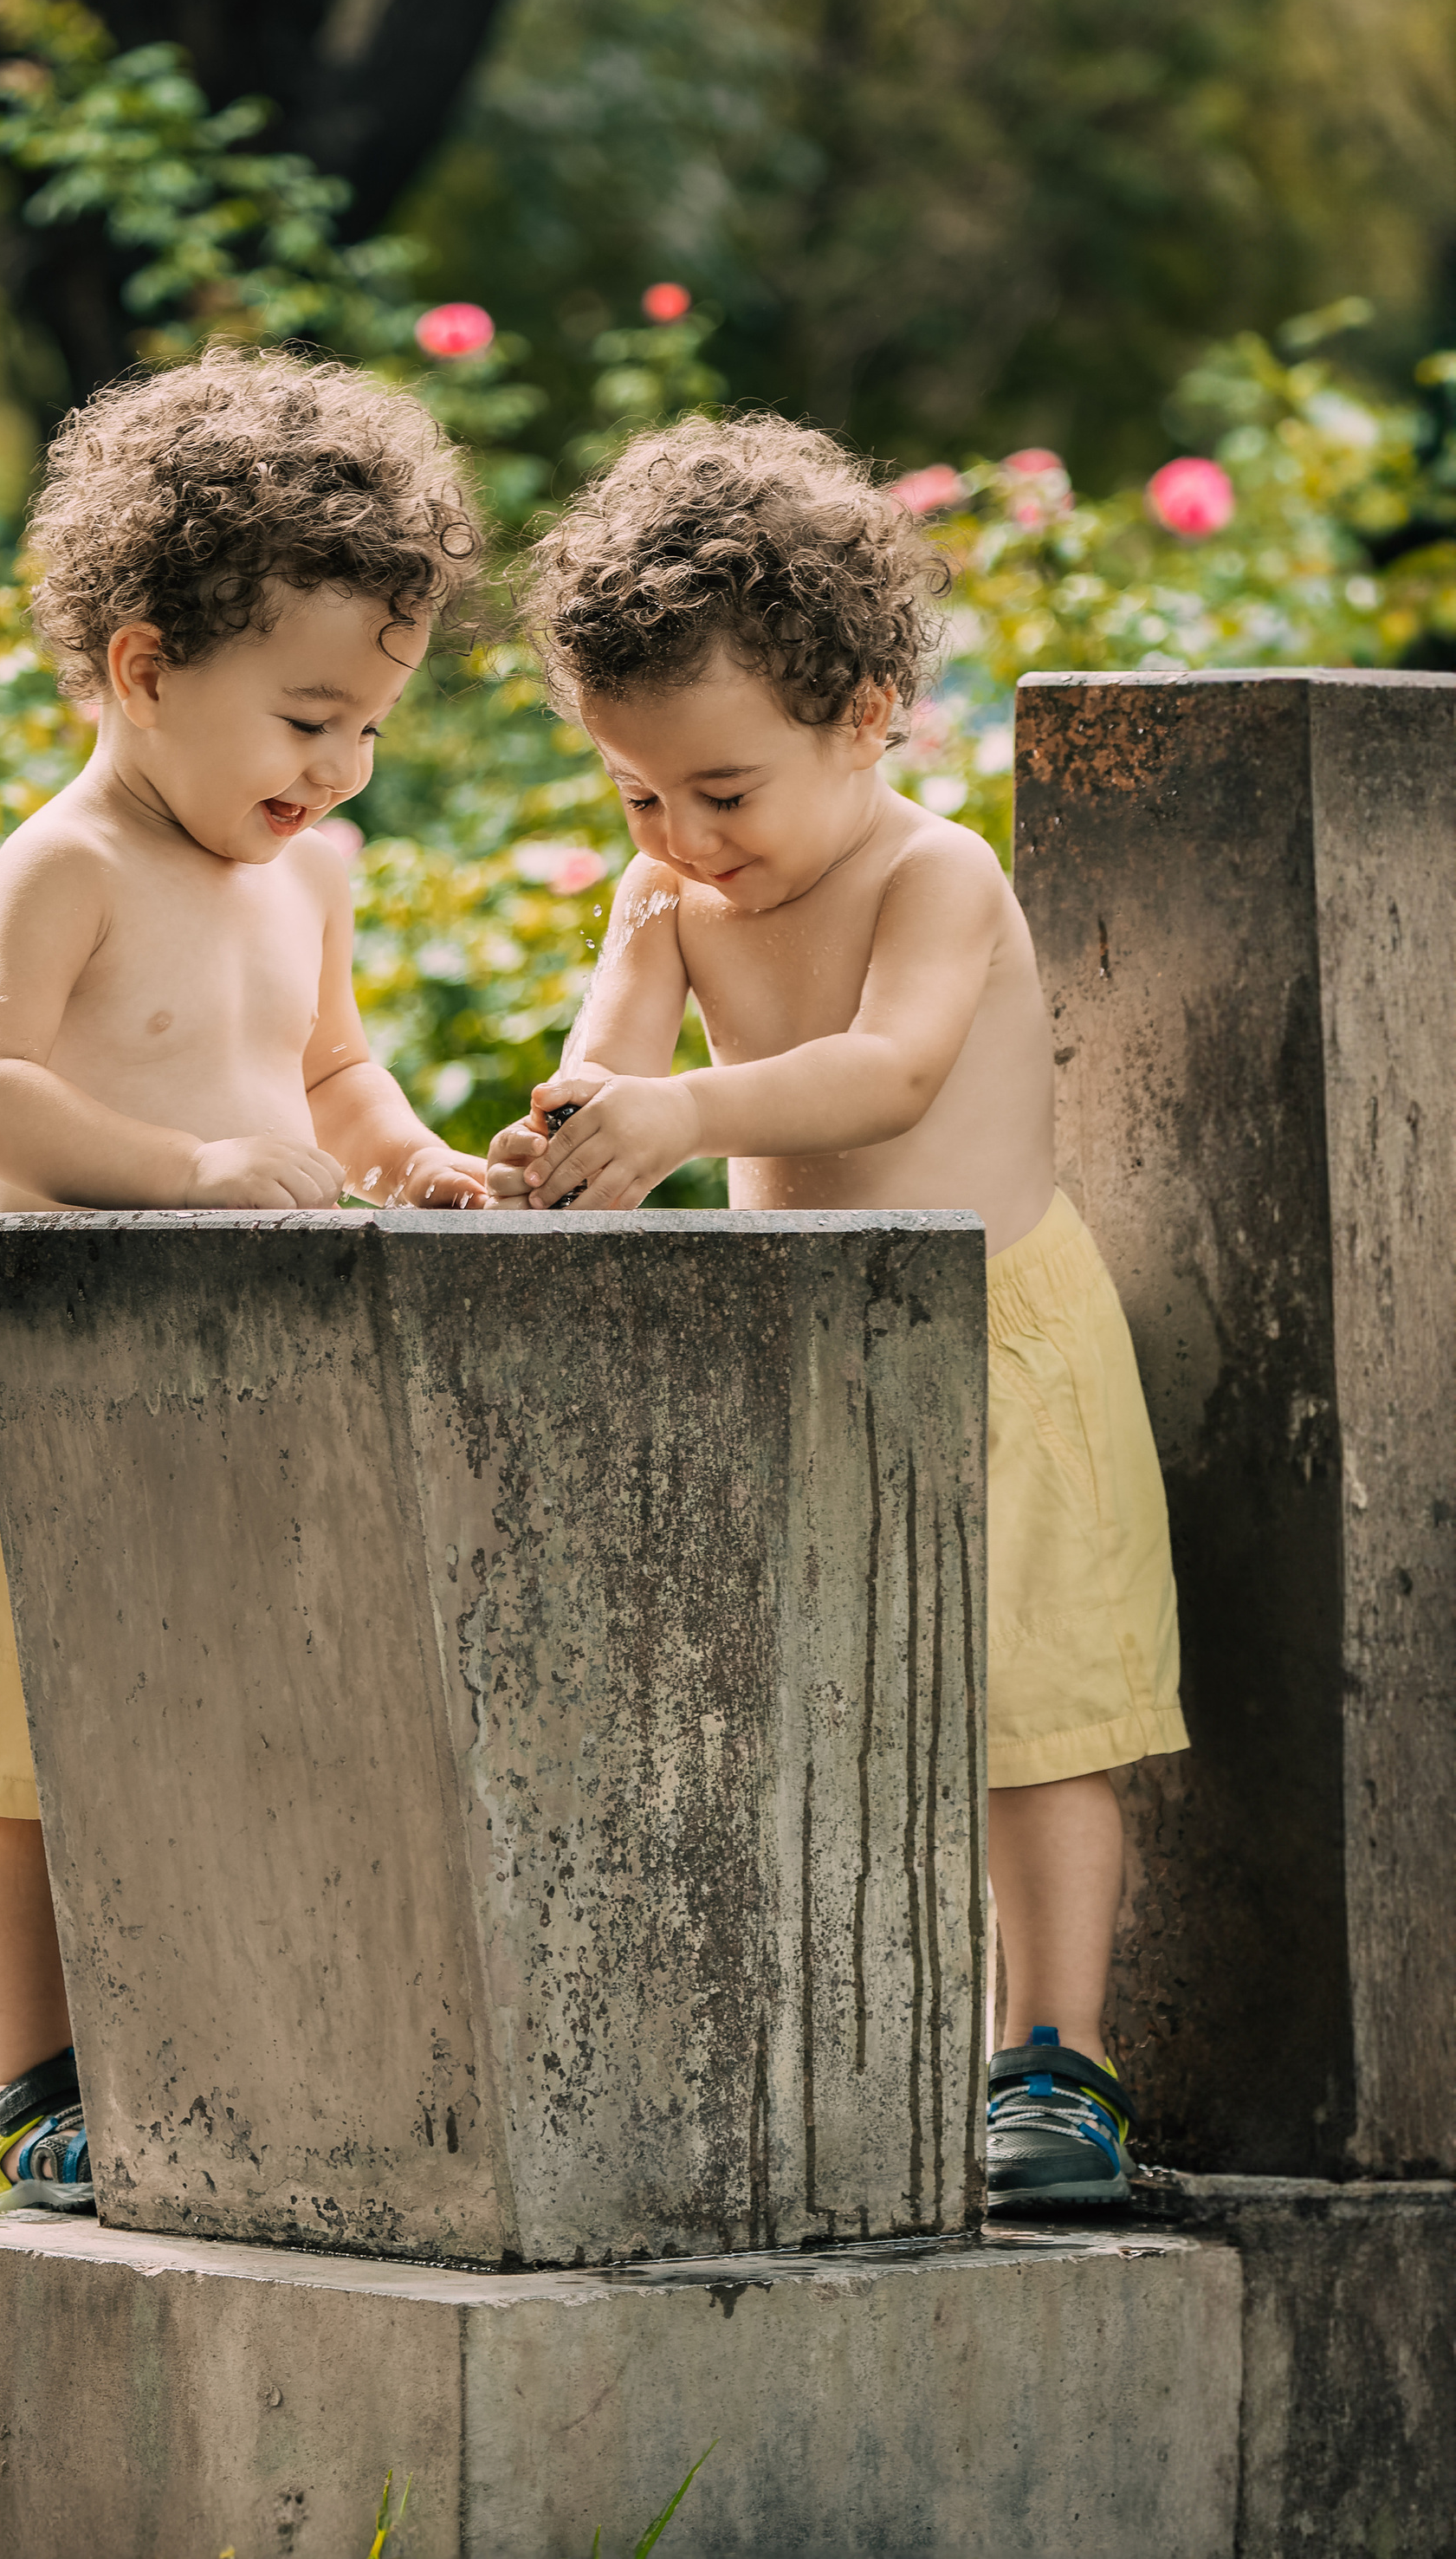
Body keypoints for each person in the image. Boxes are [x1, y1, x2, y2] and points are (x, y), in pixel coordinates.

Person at [486, 411, 1187, 2212]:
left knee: (1031, 1716)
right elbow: (606, 1071)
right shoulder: (664, 902)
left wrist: (686, 1116)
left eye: (722, 790)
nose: (681, 836)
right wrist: (565, 1140)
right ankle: (822, 2041)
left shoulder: (927, 873)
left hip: (985, 1338)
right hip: (793, 1347)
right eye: (637, 792)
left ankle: (1056, 2056)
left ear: (863, 715)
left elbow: (881, 1074)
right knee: (805, 1704)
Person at [0, 347, 489, 2213]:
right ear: (146, 668)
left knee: (222, 1723)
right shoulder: (66, 860)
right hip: (60, 1348)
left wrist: (409, 1157)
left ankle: (209, 2047)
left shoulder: (307, 877)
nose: (337, 769)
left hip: (243, 1372)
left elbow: (329, 1071)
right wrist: (181, 1174)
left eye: (368, 728)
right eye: (306, 718)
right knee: (35, 1752)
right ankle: (30, 2088)